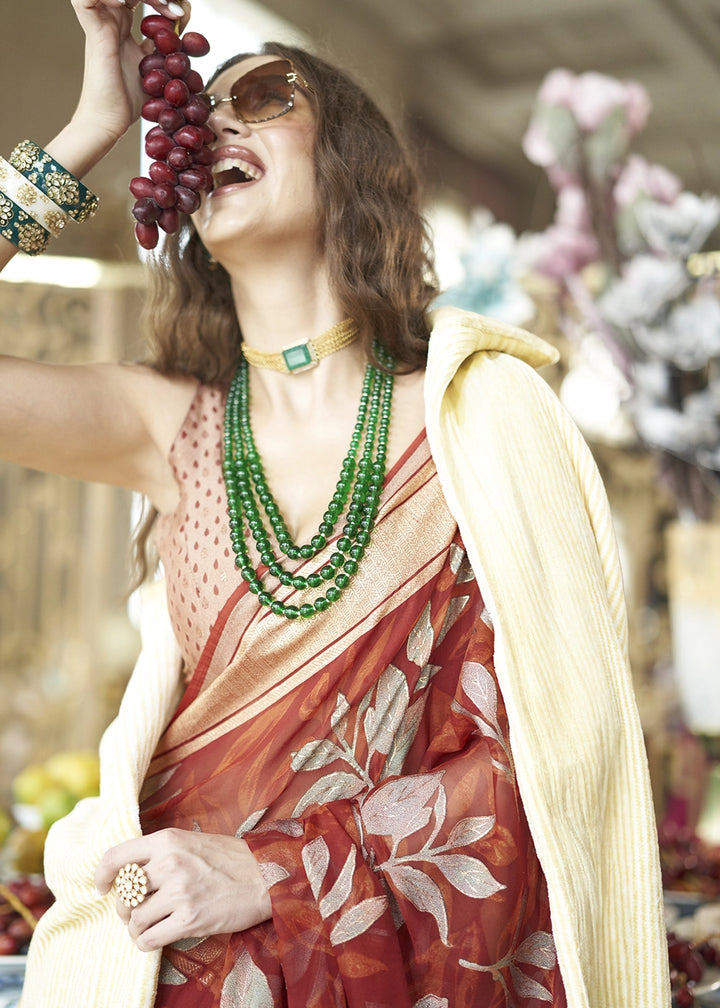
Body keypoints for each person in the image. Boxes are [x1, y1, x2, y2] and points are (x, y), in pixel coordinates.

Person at [0, 1, 670, 1005]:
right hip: (164, 960)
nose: (216, 122)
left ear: (352, 159)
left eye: (264, 97)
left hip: (393, 964)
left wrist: (272, 869)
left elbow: (568, 747)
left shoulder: (482, 415)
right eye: (199, 108)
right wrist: (94, 125)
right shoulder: (165, 424)